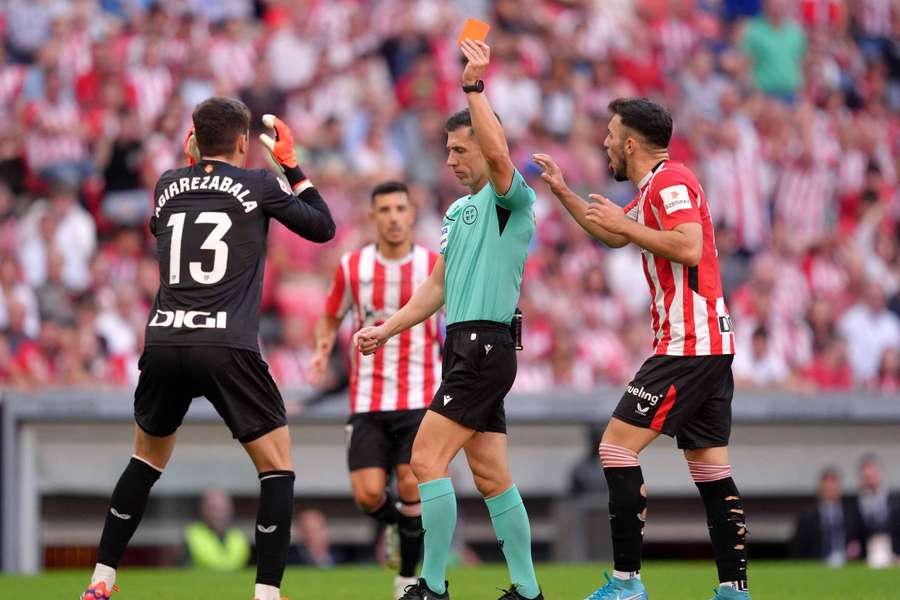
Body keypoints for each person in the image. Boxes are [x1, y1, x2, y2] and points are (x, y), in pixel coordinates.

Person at [80, 96, 335, 600]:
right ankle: (266, 593)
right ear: (244, 141)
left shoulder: (167, 183)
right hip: (227, 343)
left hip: (166, 339)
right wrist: (291, 166)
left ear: (193, 139)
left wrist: (193, 166)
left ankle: (101, 580)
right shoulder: (259, 183)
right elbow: (322, 226)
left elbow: (165, 224)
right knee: (277, 466)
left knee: (146, 461)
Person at [534, 97, 749, 600]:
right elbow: (613, 236)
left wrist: (628, 226)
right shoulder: (656, 185)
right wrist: (564, 192)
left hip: (687, 343)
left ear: (631, 143)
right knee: (712, 469)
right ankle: (734, 590)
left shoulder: (671, 182)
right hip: (709, 345)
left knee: (614, 447)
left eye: (610, 135)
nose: (605, 143)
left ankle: (627, 583)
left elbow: (688, 246)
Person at [356, 39, 543, 600]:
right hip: (466, 346)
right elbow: (439, 285)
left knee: (423, 458)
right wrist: (387, 326)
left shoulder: (512, 200)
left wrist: (474, 87)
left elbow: (503, 158)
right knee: (489, 476)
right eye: (448, 150)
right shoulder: (459, 212)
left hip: (485, 346)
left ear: (486, 148)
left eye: (460, 149)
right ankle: (528, 591)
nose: (450, 159)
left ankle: (430, 587)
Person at [308, 180, 441, 599]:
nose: (394, 217)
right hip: (367, 399)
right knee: (368, 496)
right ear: (373, 217)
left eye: (401, 208)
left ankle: (405, 578)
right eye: (385, 210)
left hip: (420, 397)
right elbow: (330, 316)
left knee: (409, 485)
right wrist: (322, 346)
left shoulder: (433, 265)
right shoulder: (353, 267)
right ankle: (394, 527)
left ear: (412, 213)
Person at [790, 468, 860, 565]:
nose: (830, 487)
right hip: (817, 567)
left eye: (833, 483)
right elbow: (797, 550)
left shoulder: (852, 514)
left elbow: (859, 542)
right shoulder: (807, 517)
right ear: (820, 488)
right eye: (826, 483)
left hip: (846, 565)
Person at [184, 490, 251, 571]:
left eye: (223, 508)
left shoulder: (239, 537)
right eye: (214, 508)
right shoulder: (191, 536)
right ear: (203, 509)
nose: (218, 513)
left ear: (231, 509)